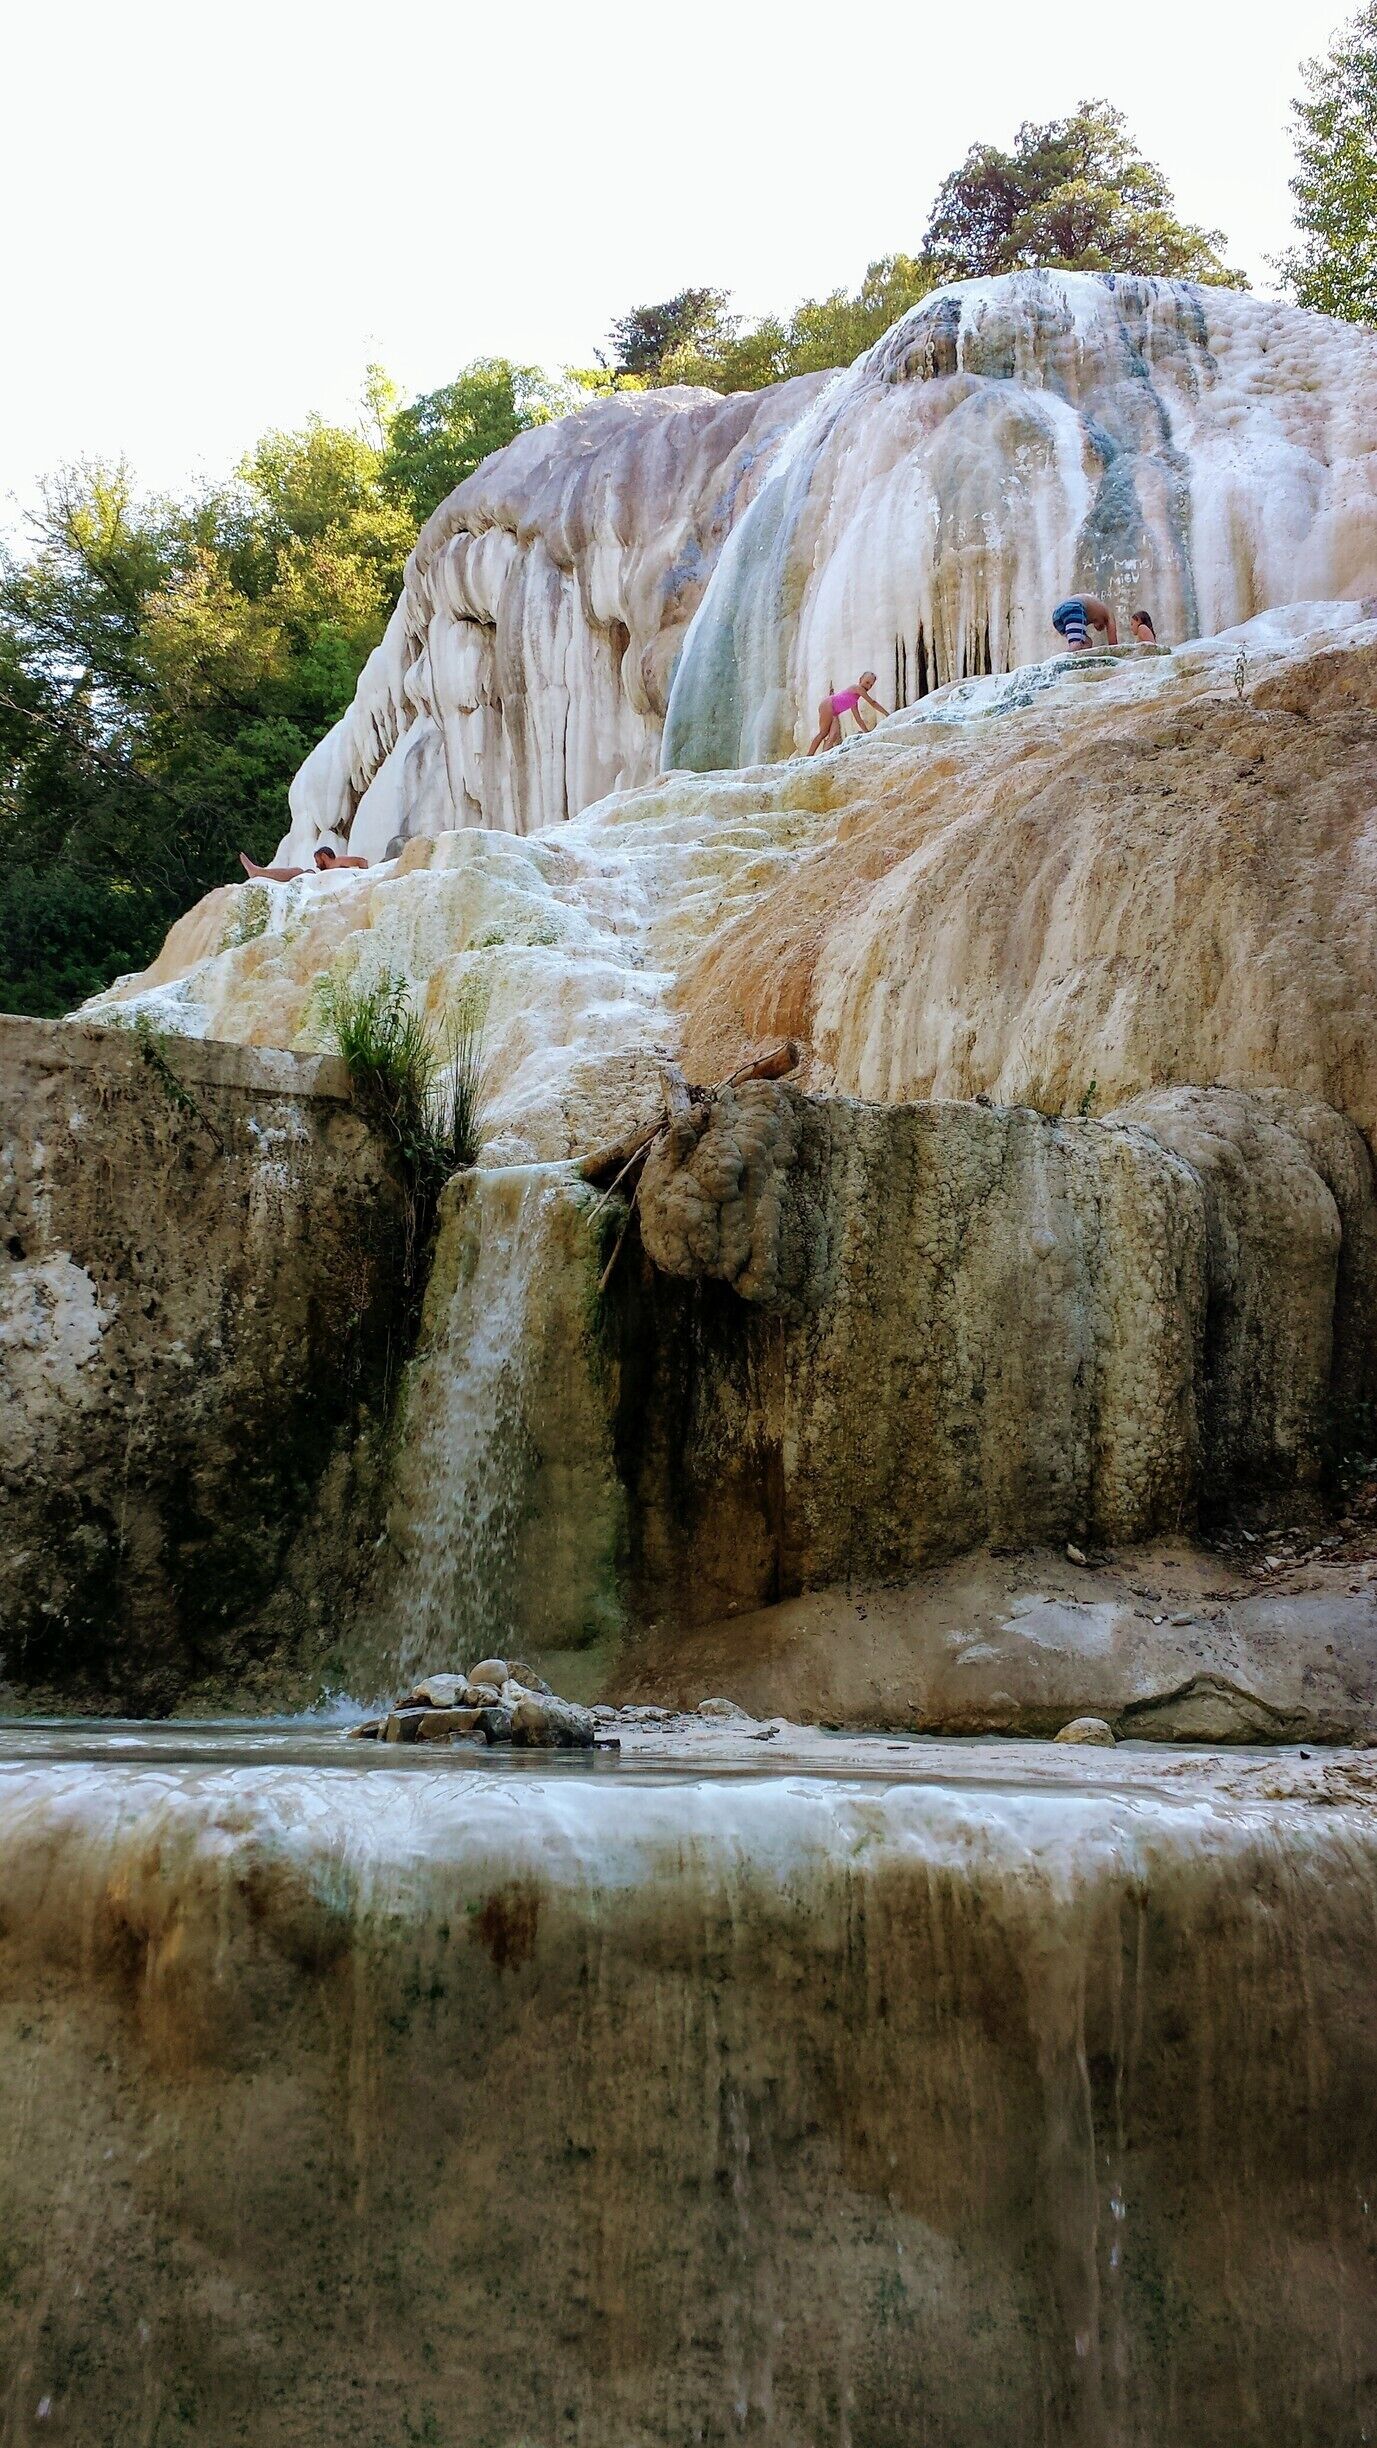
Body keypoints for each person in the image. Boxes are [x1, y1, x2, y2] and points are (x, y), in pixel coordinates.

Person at [808, 672, 889, 755]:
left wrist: (867, 732)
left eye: (871, 685)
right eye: (867, 682)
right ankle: (809, 755)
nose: (868, 687)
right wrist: (887, 714)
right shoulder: (857, 688)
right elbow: (872, 702)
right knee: (823, 733)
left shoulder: (854, 700)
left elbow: (858, 719)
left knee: (833, 735)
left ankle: (822, 756)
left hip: (833, 711)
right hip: (828, 704)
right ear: (860, 679)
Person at [238, 844, 368, 882]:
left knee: (300, 871)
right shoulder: (328, 870)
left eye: (317, 861)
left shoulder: (339, 861)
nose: (317, 864)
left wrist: (364, 878)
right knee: (299, 871)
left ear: (324, 856)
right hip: (319, 883)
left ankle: (259, 872)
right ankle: (259, 872)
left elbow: (362, 861)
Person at [1051, 596, 1118, 652]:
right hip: (1074, 607)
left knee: (1087, 643)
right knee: (1076, 644)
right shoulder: (1108, 613)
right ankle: (1062, 662)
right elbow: (1113, 644)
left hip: (1057, 615)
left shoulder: (1095, 611)